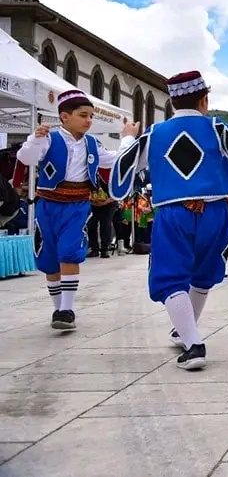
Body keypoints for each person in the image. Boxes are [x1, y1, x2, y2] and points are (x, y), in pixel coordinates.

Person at [108, 71, 228, 369]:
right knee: (204, 273)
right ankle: (186, 332)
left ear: (172, 101)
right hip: (216, 211)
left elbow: (125, 167)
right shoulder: (217, 127)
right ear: (204, 99)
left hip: (173, 212)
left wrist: (128, 138)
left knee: (170, 275)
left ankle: (194, 344)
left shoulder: (154, 134)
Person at [17, 89, 138, 329]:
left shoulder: (92, 144)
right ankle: (58, 310)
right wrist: (34, 140)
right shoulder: (49, 138)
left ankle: (68, 308)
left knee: (70, 252)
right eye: (83, 115)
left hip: (78, 205)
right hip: (48, 205)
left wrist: (128, 138)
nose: (88, 120)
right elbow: (26, 158)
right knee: (49, 257)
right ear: (64, 117)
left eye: (91, 116)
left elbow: (116, 159)